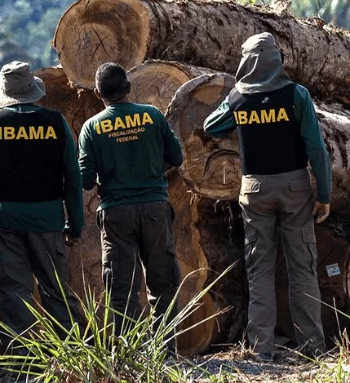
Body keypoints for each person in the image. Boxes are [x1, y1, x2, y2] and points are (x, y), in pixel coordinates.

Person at [203, 32, 331, 362]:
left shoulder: (238, 97)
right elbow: (315, 147)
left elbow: (211, 125)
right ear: (278, 60)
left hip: (254, 189)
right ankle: (312, 347)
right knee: (302, 267)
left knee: (259, 269)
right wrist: (325, 194)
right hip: (295, 189)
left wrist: (236, 94)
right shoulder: (296, 95)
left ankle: (260, 349)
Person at [0, 61, 84, 338]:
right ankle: (78, 362)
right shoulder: (56, 123)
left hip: (4, 221)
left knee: (15, 294)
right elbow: (72, 175)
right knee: (57, 292)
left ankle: (19, 367)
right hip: (47, 220)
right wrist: (75, 224)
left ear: (5, 93)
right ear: (32, 90)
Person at [78, 62, 183, 348]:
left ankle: (132, 353)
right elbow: (177, 156)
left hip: (116, 213)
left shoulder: (91, 128)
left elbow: (85, 180)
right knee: (162, 281)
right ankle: (166, 351)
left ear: (99, 93)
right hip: (154, 208)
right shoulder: (152, 116)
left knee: (121, 287)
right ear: (128, 88)